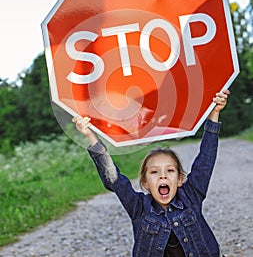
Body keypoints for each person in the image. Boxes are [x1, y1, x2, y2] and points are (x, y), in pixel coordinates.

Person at [73, 90, 230, 257]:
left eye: (170, 170)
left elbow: (205, 160)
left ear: (180, 180)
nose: (163, 176)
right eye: (154, 172)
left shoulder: (191, 197)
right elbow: (114, 179)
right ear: (146, 183)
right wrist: (91, 135)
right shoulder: (139, 207)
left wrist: (214, 114)